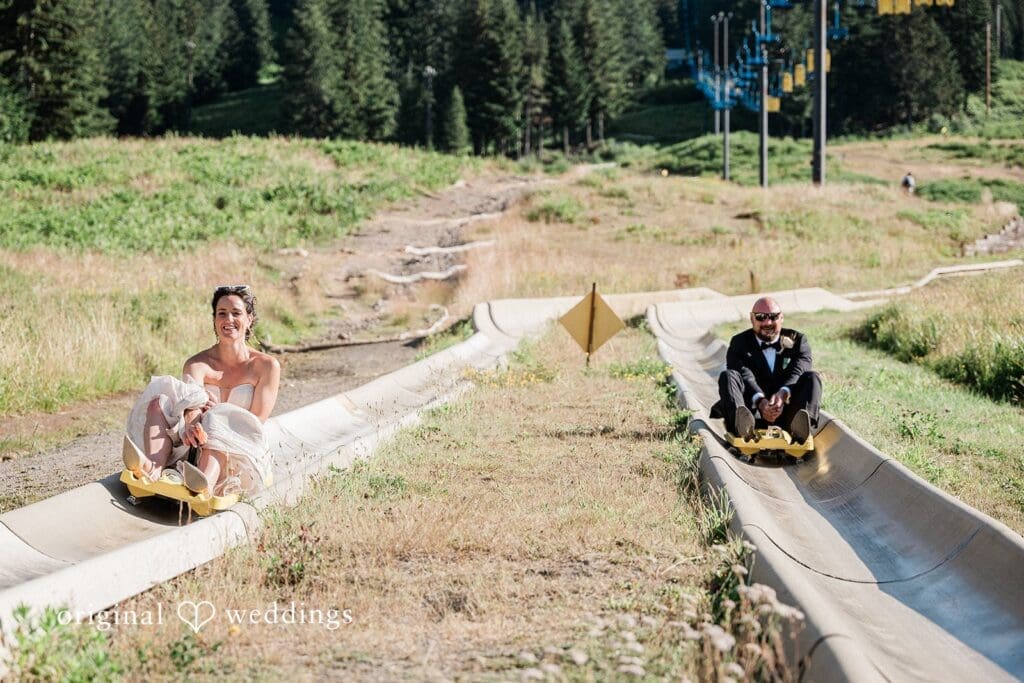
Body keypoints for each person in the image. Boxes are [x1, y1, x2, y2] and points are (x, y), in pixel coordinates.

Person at [122, 285, 280, 497]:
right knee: (159, 401)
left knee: (217, 417)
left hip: (238, 449)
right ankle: (153, 468)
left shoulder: (266, 366)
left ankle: (204, 484)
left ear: (249, 319)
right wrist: (193, 426)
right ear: (214, 320)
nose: (228, 320)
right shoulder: (198, 364)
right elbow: (191, 405)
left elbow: (257, 420)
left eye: (236, 313)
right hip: (197, 443)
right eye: (221, 313)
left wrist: (220, 413)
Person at [712, 297, 821, 445]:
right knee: (729, 376)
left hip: (787, 413)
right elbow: (744, 373)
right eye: (761, 317)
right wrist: (760, 401)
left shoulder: (798, 341)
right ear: (752, 319)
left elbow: (799, 370)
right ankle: (741, 427)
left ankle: (801, 430)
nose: (767, 323)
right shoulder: (739, 342)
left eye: (773, 317)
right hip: (751, 413)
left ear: (781, 318)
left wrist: (783, 393)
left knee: (812, 377)